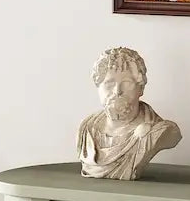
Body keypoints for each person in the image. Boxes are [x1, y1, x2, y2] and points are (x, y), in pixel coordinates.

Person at [76, 47, 182, 180]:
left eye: (126, 83)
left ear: (141, 88)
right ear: (98, 87)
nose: (117, 91)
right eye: (109, 83)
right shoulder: (87, 128)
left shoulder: (158, 130)